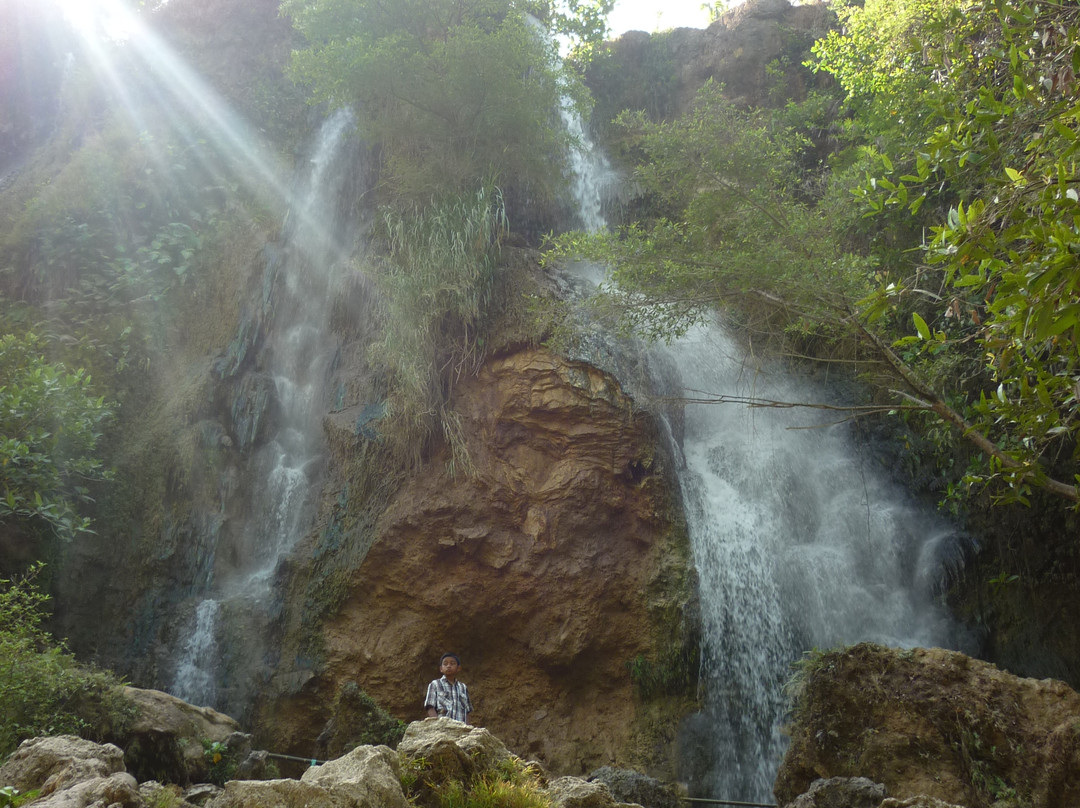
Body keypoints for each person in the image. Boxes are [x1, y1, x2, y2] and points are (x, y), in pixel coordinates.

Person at [424, 652, 473, 724]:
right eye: (445, 664)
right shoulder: (435, 684)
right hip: (444, 728)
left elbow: (467, 711)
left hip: (461, 729)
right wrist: (437, 725)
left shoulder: (463, 687)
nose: (448, 666)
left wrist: (468, 729)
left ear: (458, 668)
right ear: (441, 669)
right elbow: (430, 707)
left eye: (452, 663)